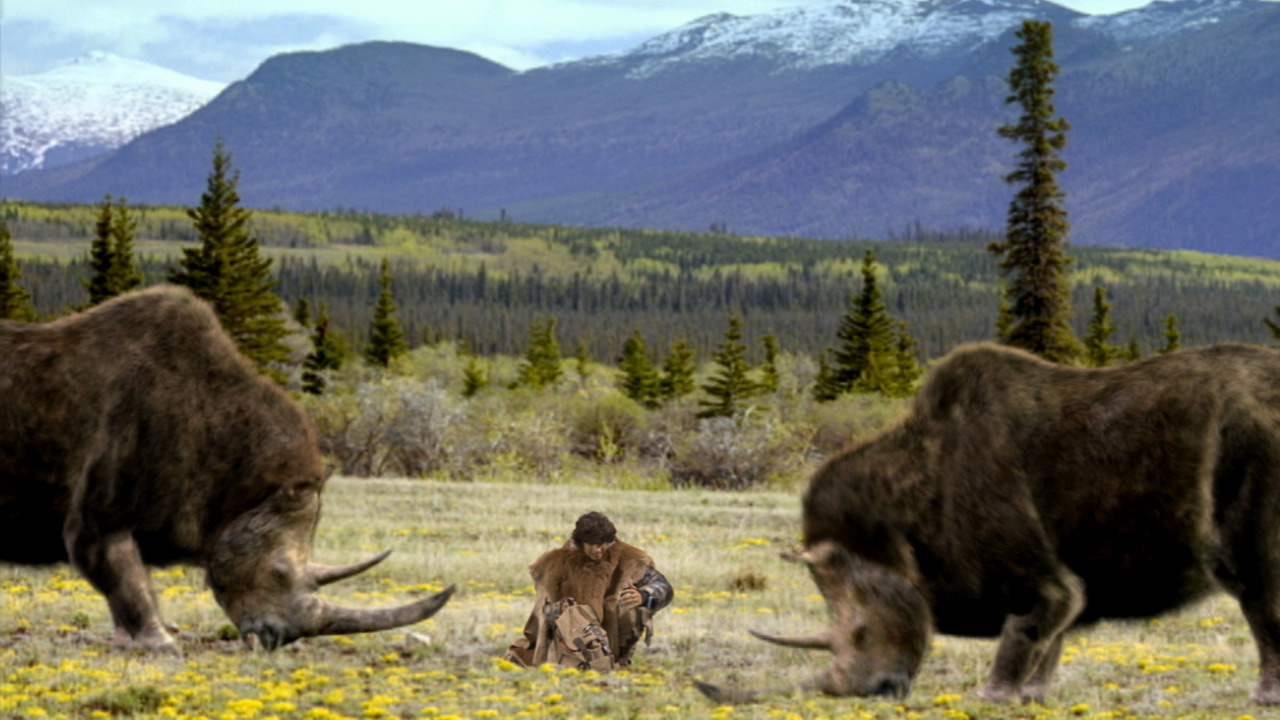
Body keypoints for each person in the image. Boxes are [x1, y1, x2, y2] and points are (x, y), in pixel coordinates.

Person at [504, 511, 673, 670]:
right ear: (580, 542)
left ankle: (619, 657)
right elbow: (542, 608)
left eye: (601, 544)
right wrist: (558, 609)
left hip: (613, 631)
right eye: (591, 545)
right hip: (570, 635)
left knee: (628, 601)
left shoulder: (630, 558)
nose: (597, 550)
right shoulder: (558, 561)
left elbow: (663, 587)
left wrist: (644, 596)